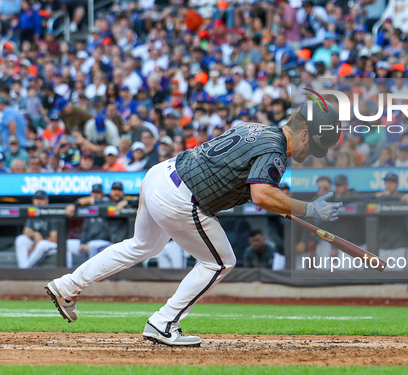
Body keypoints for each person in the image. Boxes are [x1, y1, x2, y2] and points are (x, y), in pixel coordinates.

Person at [45, 100, 342, 346]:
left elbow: (248, 182)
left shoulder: (256, 128)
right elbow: (262, 194)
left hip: (161, 174)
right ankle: (163, 323)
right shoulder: (275, 150)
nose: (311, 153)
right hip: (182, 196)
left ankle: (68, 284)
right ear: (304, 134)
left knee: (140, 246)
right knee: (221, 262)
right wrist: (309, 208)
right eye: (315, 145)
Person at [65, 184, 112, 268]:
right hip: (88, 242)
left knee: (92, 245)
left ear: (102, 194)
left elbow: (89, 200)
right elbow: (85, 229)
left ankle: (93, 275)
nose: (95, 195)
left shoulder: (107, 202)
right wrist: (83, 243)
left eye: (98, 193)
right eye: (94, 193)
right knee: (67, 244)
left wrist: (74, 205)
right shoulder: (89, 208)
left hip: (104, 242)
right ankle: (67, 272)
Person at [15, 190, 58, 268]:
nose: (38, 202)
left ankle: (25, 270)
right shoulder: (33, 212)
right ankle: (23, 268)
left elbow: (54, 238)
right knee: (20, 239)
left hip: (51, 245)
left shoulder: (52, 212)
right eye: (36, 199)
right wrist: (35, 235)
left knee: (42, 244)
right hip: (37, 242)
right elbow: (26, 232)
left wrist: (39, 241)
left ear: (46, 201)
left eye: (41, 199)